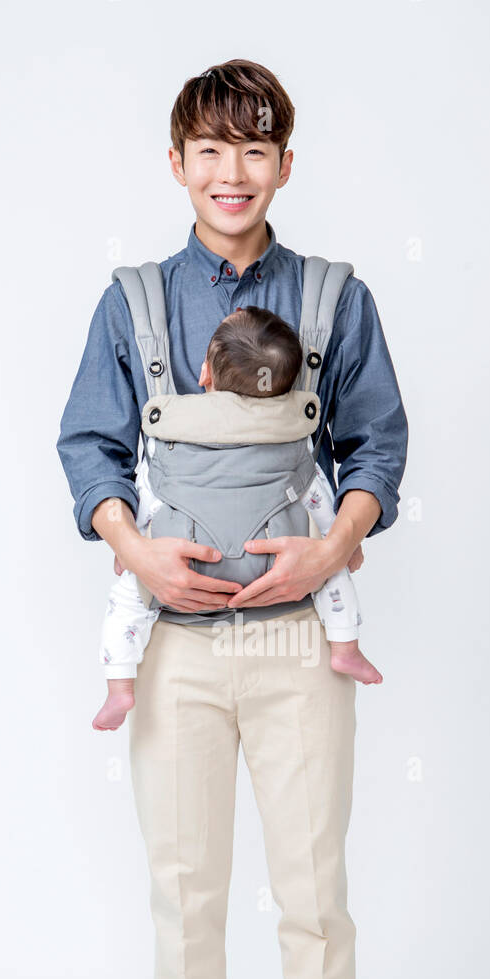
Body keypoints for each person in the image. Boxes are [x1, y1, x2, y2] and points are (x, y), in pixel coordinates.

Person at [57, 59, 408, 979]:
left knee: (313, 892)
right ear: (178, 164)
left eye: (254, 148)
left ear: (284, 165)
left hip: (301, 642)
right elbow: (90, 449)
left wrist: (333, 549)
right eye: (209, 149)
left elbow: (376, 449)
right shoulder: (134, 301)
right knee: (183, 890)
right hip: (175, 646)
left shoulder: (331, 299)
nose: (231, 171)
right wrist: (134, 552)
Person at [93, 304, 382, 733]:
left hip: (186, 577)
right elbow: (322, 500)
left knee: (127, 604)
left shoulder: (172, 433)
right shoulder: (295, 442)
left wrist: (129, 545)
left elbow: (149, 491)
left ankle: (119, 686)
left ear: (204, 375)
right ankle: (345, 646)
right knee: (334, 575)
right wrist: (340, 543)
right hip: (283, 583)